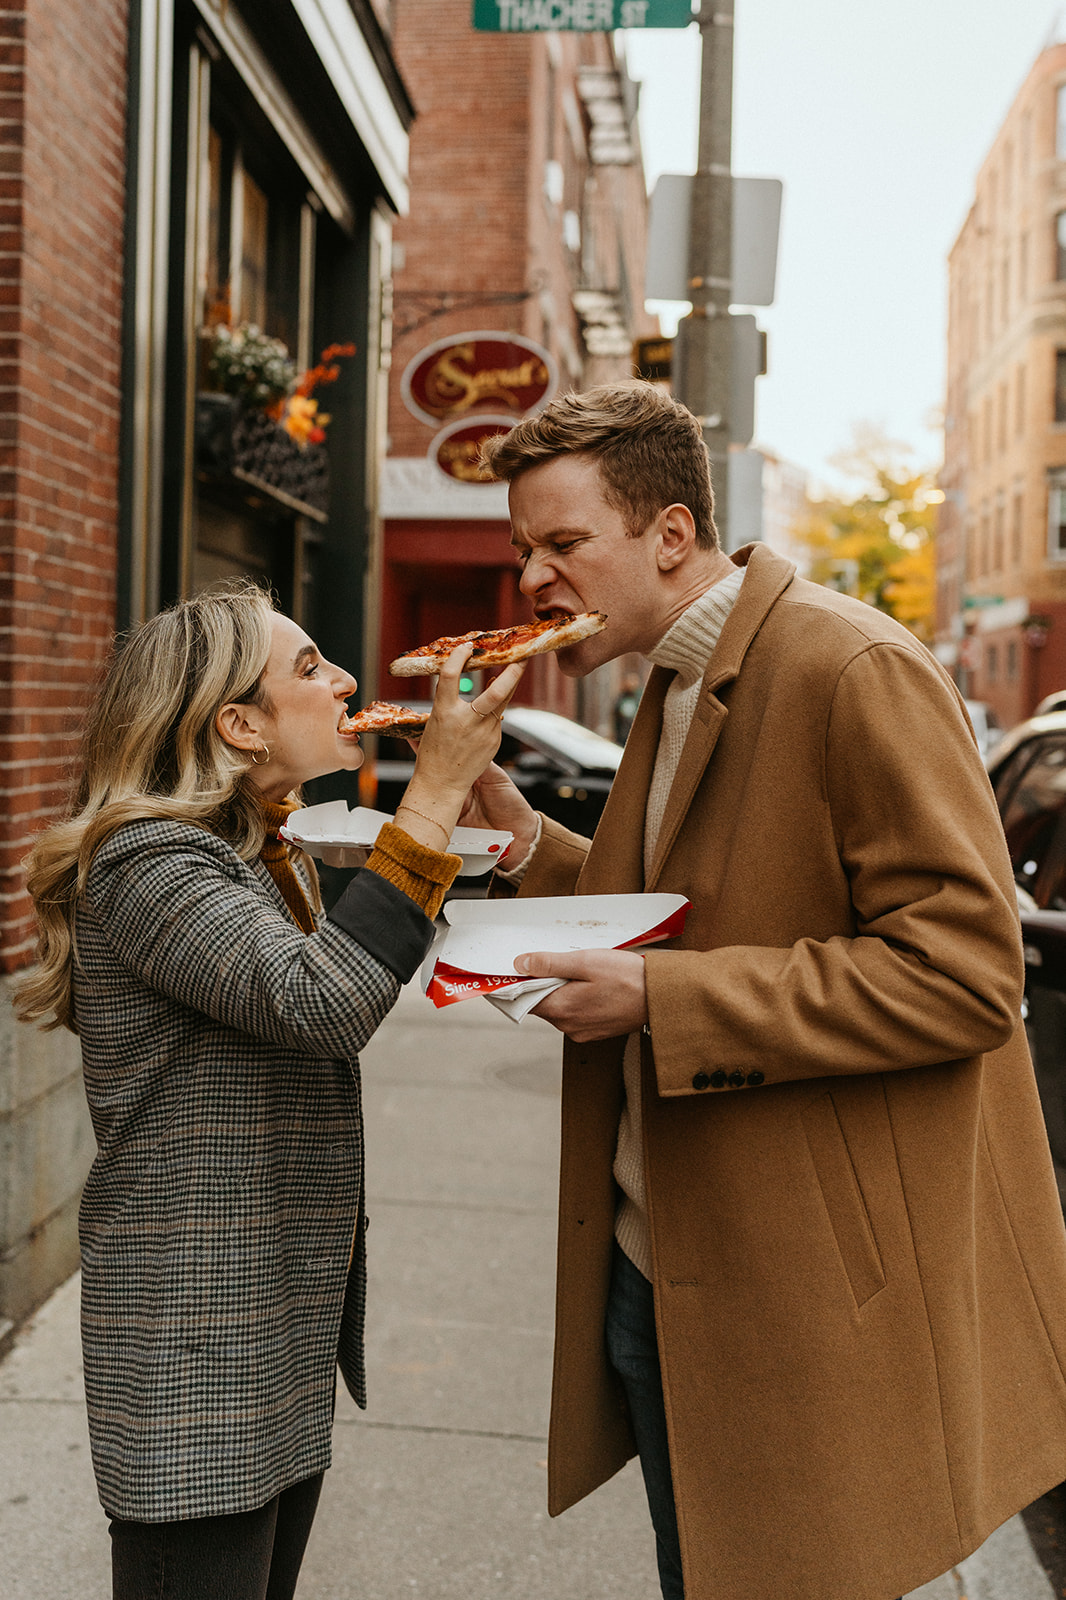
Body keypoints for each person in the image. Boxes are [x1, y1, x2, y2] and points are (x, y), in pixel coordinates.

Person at [462, 381, 1066, 1600]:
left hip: (798, 1287)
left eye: (563, 543)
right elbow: (697, 906)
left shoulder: (852, 665)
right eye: (524, 549)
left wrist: (660, 1001)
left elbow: (963, 973)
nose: (532, 579)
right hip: (663, 1254)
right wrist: (532, 846)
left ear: (671, 533)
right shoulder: (677, 677)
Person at [15, 582, 522, 1600]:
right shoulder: (147, 860)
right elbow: (324, 1001)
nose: (342, 680)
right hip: (193, 1341)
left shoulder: (250, 848)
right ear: (237, 724)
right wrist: (427, 798)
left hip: (270, 1322)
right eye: (308, 668)